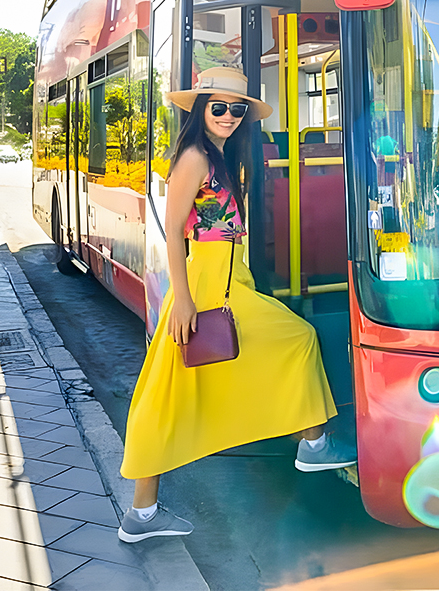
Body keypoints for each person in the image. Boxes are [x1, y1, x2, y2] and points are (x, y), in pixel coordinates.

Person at [117, 67, 353, 543]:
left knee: (175, 390)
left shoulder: (218, 156)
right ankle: (312, 441)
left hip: (229, 277)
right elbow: (174, 229)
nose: (227, 115)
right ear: (201, 109)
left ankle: (141, 514)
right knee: (294, 340)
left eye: (236, 108)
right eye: (218, 107)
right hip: (209, 281)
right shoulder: (195, 157)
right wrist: (182, 300)